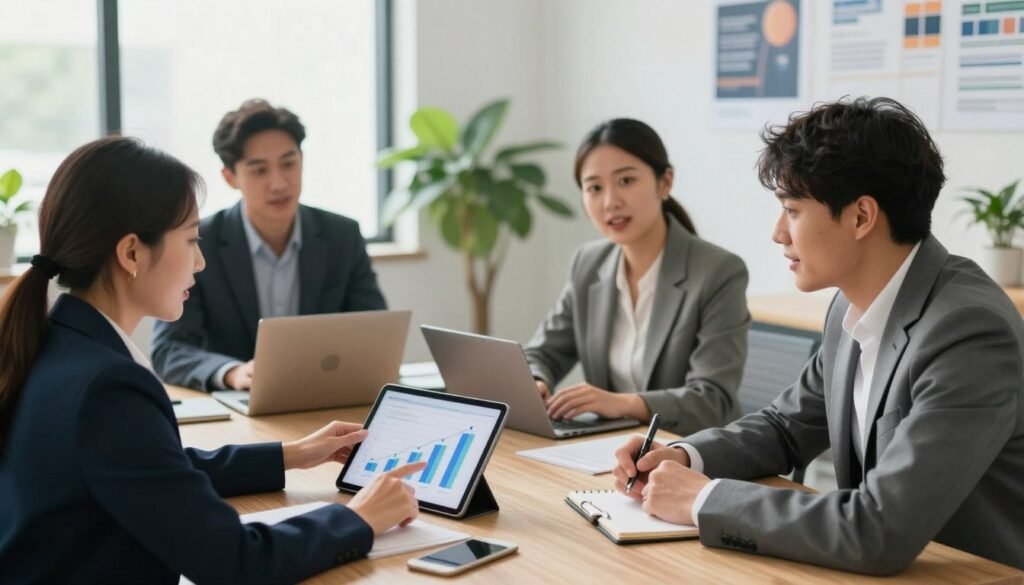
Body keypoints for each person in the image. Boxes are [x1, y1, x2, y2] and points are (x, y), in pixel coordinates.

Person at [613, 97, 1024, 574]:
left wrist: (703, 499)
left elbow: (880, 527)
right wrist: (686, 455)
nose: (777, 233)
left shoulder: (968, 331)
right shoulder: (853, 303)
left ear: (861, 217)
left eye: (792, 210)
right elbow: (786, 427)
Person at [0, 137, 424, 584]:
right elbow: (235, 562)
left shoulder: (57, 343)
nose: (200, 262)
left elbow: (152, 473)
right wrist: (359, 518)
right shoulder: (108, 387)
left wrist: (292, 454)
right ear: (131, 253)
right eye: (190, 240)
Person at [524, 119, 750, 435]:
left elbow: (712, 400)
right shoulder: (588, 263)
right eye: (594, 188)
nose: (610, 202)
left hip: (691, 454)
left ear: (664, 182)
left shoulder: (718, 272)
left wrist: (624, 403)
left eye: (626, 181)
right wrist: (537, 380)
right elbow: (542, 352)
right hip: (610, 450)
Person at [152, 99, 386, 391]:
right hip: (240, 405)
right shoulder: (200, 242)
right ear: (230, 177)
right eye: (259, 170)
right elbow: (169, 349)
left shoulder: (342, 236)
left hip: (323, 399)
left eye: (289, 164)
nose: (279, 183)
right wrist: (232, 372)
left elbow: (375, 334)